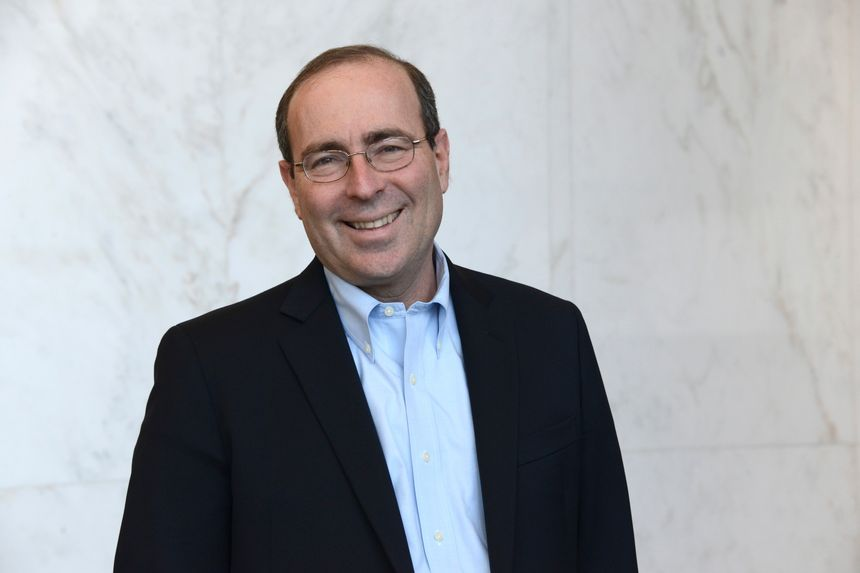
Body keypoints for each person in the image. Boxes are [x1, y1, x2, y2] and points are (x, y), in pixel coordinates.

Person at [115, 45, 638, 573]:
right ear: (292, 187)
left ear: (440, 158)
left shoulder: (550, 335)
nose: (363, 186)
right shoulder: (210, 369)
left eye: (389, 148)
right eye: (326, 160)